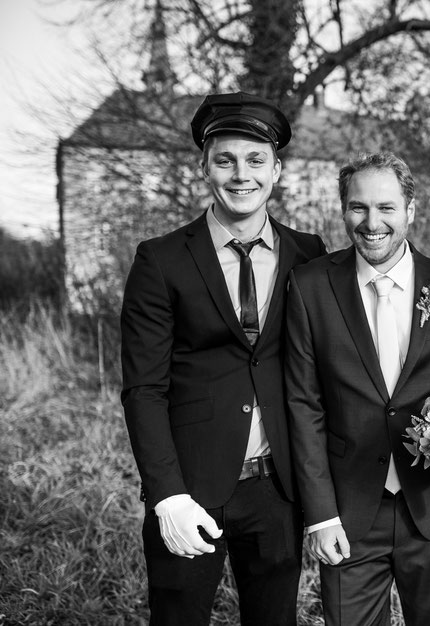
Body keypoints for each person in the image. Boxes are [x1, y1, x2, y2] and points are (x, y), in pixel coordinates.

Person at [120, 91, 327, 626]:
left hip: (277, 492)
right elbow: (144, 388)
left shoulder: (309, 254)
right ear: (203, 167)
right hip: (191, 489)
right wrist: (166, 496)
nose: (242, 175)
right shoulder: (160, 259)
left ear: (277, 169)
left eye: (256, 160)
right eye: (226, 159)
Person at [284, 151, 430, 626]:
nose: (371, 222)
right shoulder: (311, 286)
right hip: (348, 514)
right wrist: (320, 514)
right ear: (343, 209)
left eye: (386, 208)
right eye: (358, 207)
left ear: (410, 211)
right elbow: (303, 404)